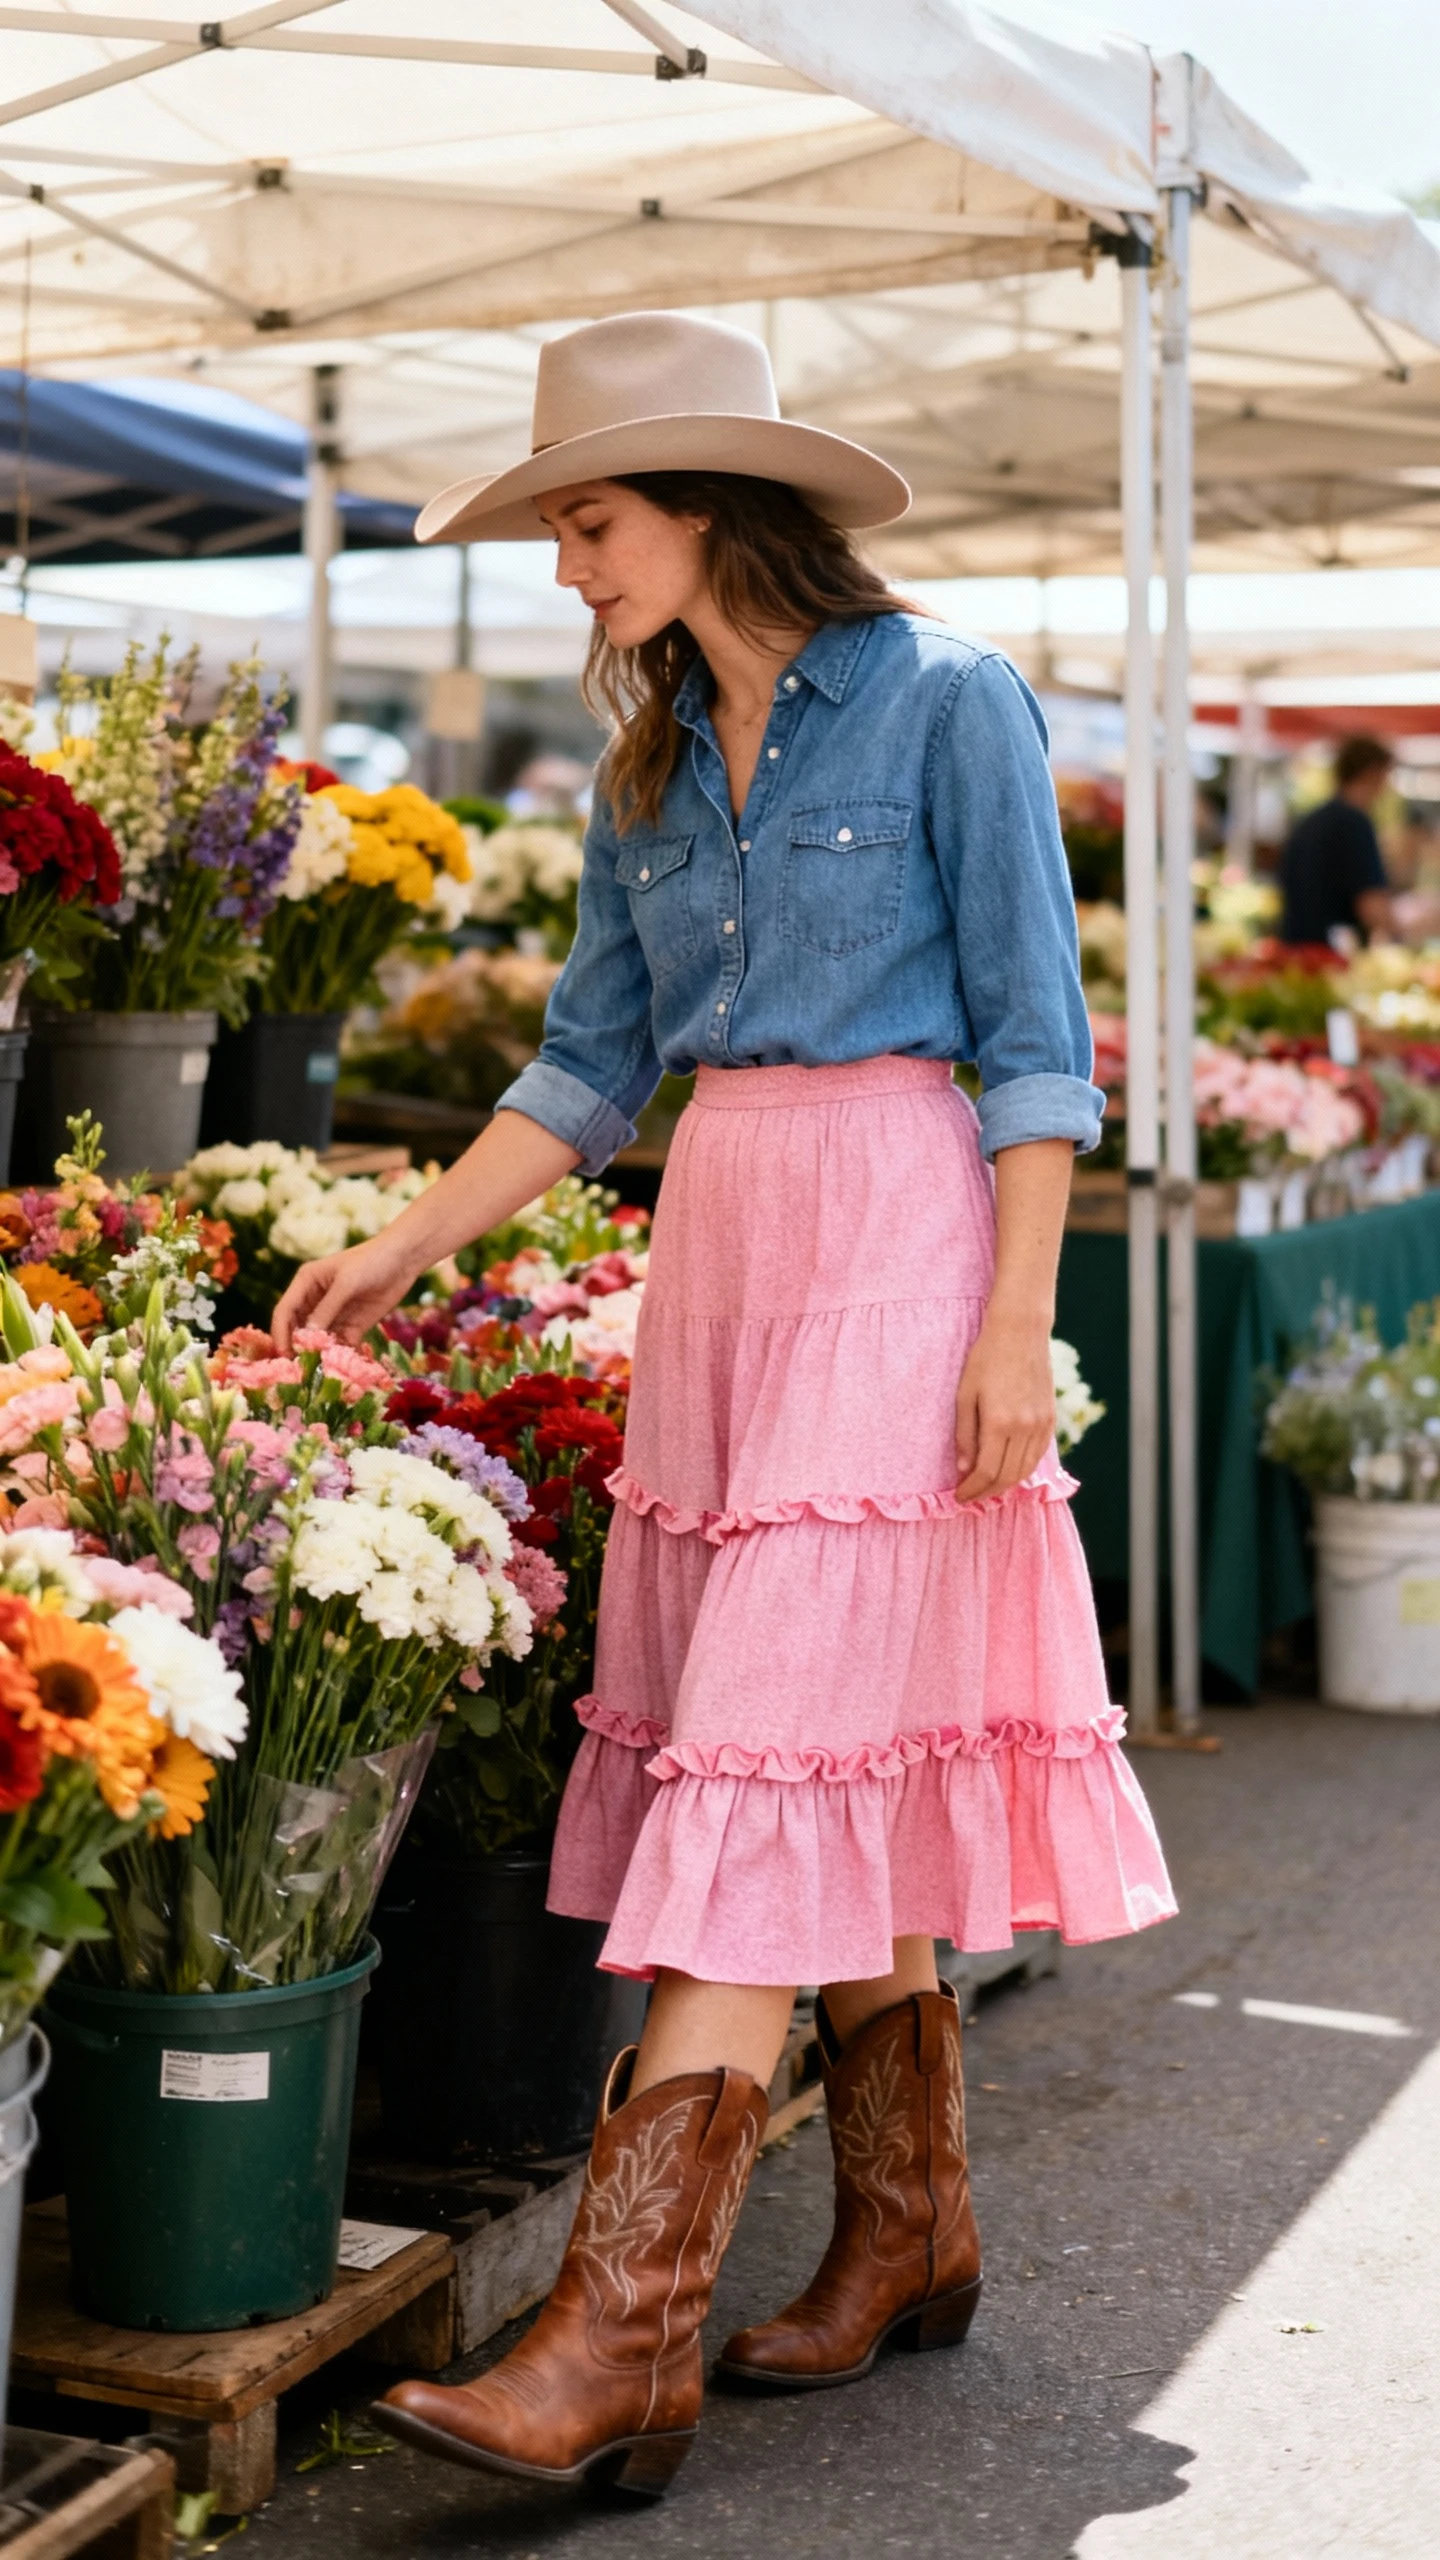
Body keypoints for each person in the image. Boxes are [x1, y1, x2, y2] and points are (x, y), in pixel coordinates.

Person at [273, 311, 1176, 2502]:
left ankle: (620, 2335)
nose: (572, 569)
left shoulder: (949, 697)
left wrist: (1006, 1328)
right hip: (724, 1248)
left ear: (702, 504)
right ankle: (909, 2225)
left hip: (898, 1225)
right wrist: (404, 1238)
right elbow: (590, 1068)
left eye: (590, 521)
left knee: (775, 1745)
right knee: (805, 1734)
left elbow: (1041, 1041)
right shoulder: (648, 767)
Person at [1279, 735, 1396, 948]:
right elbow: (1371, 904)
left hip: (1295, 949)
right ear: (1372, 773)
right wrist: (1400, 934)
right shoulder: (1355, 823)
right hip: (1331, 956)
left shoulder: (1310, 821)